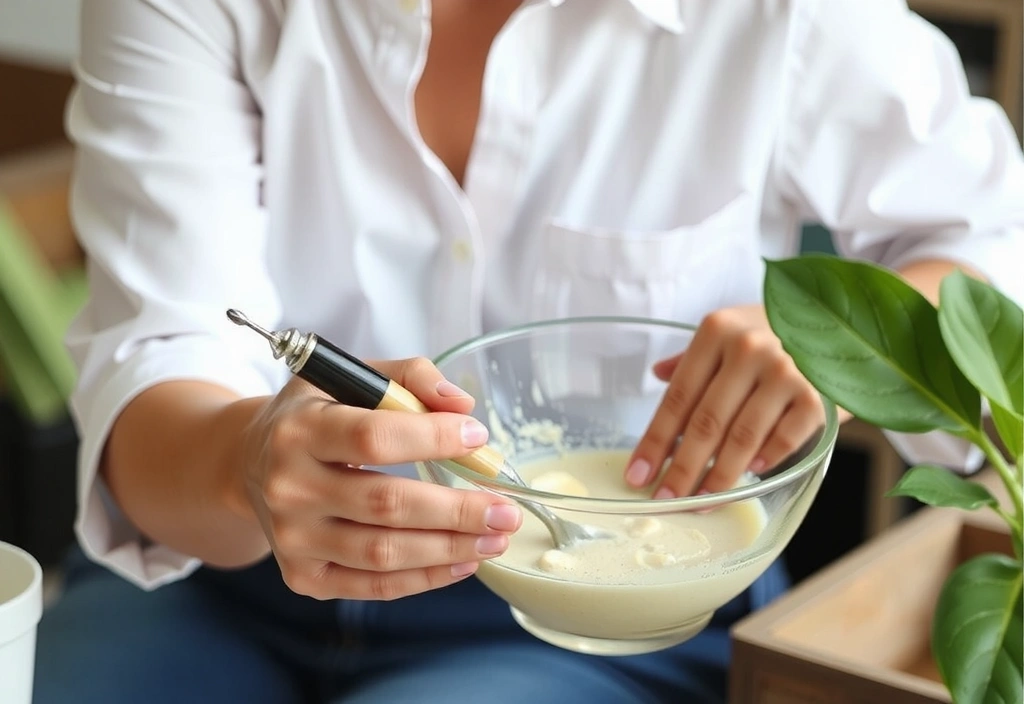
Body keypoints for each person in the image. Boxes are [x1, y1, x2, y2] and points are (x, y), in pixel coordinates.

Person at [34, 0, 1023, 702]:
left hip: (627, 625)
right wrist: (245, 463)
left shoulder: (788, 16)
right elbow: (159, 356)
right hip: (207, 586)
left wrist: (834, 350)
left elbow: (994, 252)